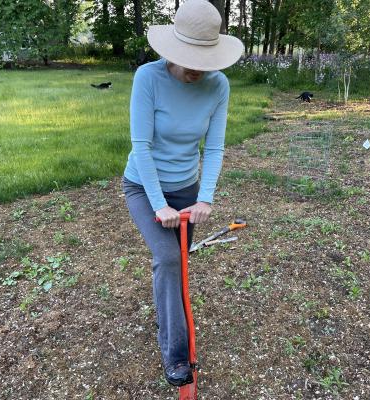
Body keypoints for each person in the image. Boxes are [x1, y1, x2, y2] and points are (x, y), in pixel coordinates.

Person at [121, 0, 244, 387]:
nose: (197, 69)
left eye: (204, 61)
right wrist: (159, 204)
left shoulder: (218, 86)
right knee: (169, 259)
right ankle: (175, 355)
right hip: (144, 186)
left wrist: (204, 197)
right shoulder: (148, 78)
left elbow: (214, 147)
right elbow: (142, 147)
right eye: (189, 59)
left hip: (187, 190)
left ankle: (170, 307)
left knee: (180, 266)